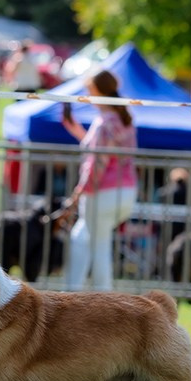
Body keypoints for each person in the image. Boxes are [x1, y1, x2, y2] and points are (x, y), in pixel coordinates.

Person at [60, 70, 139, 290]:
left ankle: (104, 301)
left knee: (99, 246)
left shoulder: (104, 123)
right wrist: (75, 129)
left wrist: (78, 192)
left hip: (103, 192)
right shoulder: (124, 119)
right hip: (125, 190)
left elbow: (97, 163)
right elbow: (98, 149)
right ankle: (71, 291)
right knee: (81, 236)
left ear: (97, 91)